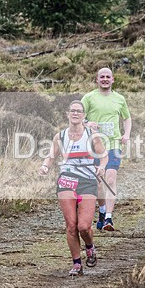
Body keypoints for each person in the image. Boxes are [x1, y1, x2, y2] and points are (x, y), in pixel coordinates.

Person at [39, 100, 108, 276]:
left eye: (79, 111)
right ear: (67, 114)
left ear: (84, 115)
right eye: (72, 111)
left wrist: (101, 167)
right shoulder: (60, 137)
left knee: (84, 226)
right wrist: (45, 166)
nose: (75, 113)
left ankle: (90, 247)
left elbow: (104, 156)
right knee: (71, 225)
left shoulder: (92, 135)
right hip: (67, 180)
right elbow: (51, 155)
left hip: (87, 181)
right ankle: (77, 264)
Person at [81, 67, 131, 232]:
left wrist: (126, 134)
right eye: (101, 77)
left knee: (110, 179)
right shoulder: (89, 98)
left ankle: (109, 217)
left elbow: (127, 117)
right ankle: (102, 210)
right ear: (97, 79)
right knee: (98, 183)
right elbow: (77, 116)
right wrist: (88, 124)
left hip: (114, 144)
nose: (104, 79)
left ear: (113, 79)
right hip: (95, 144)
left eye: (107, 77)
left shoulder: (119, 99)